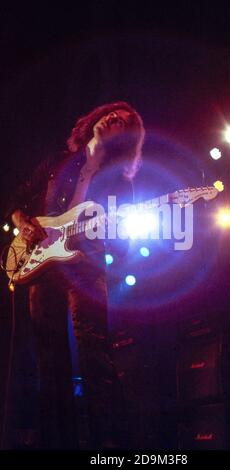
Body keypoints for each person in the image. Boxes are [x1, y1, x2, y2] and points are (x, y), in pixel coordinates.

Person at [7, 101, 145, 449]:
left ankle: (108, 445)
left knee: (94, 356)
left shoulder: (118, 183)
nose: (115, 117)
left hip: (85, 269)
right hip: (42, 265)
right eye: (113, 112)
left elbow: (122, 248)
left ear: (125, 139)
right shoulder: (57, 162)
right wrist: (25, 224)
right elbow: (17, 200)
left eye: (124, 122)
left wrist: (96, 249)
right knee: (49, 363)